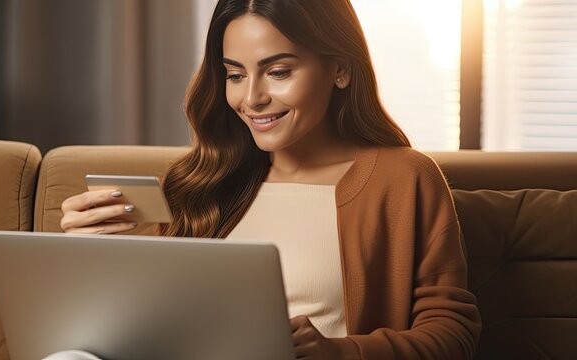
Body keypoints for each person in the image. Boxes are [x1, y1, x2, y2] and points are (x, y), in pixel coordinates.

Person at [59, 0, 482, 358]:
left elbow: (453, 334)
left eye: (278, 71)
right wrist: (88, 257)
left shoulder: (402, 177)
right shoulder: (199, 181)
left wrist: (338, 351)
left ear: (340, 69)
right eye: (235, 75)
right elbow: (158, 323)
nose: (251, 98)